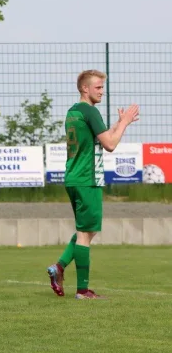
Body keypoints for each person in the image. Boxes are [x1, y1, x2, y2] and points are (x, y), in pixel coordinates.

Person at [46, 70, 140, 299]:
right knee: (87, 234)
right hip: (88, 178)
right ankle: (82, 290)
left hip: (73, 177)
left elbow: (99, 137)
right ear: (84, 88)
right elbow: (109, 144)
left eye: (102, 87)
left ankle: (58, 267)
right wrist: (125, 123)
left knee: (85, 231)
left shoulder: (73, 112)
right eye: (97, 87)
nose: (101, 91)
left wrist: (117, 124)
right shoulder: (90, 110)